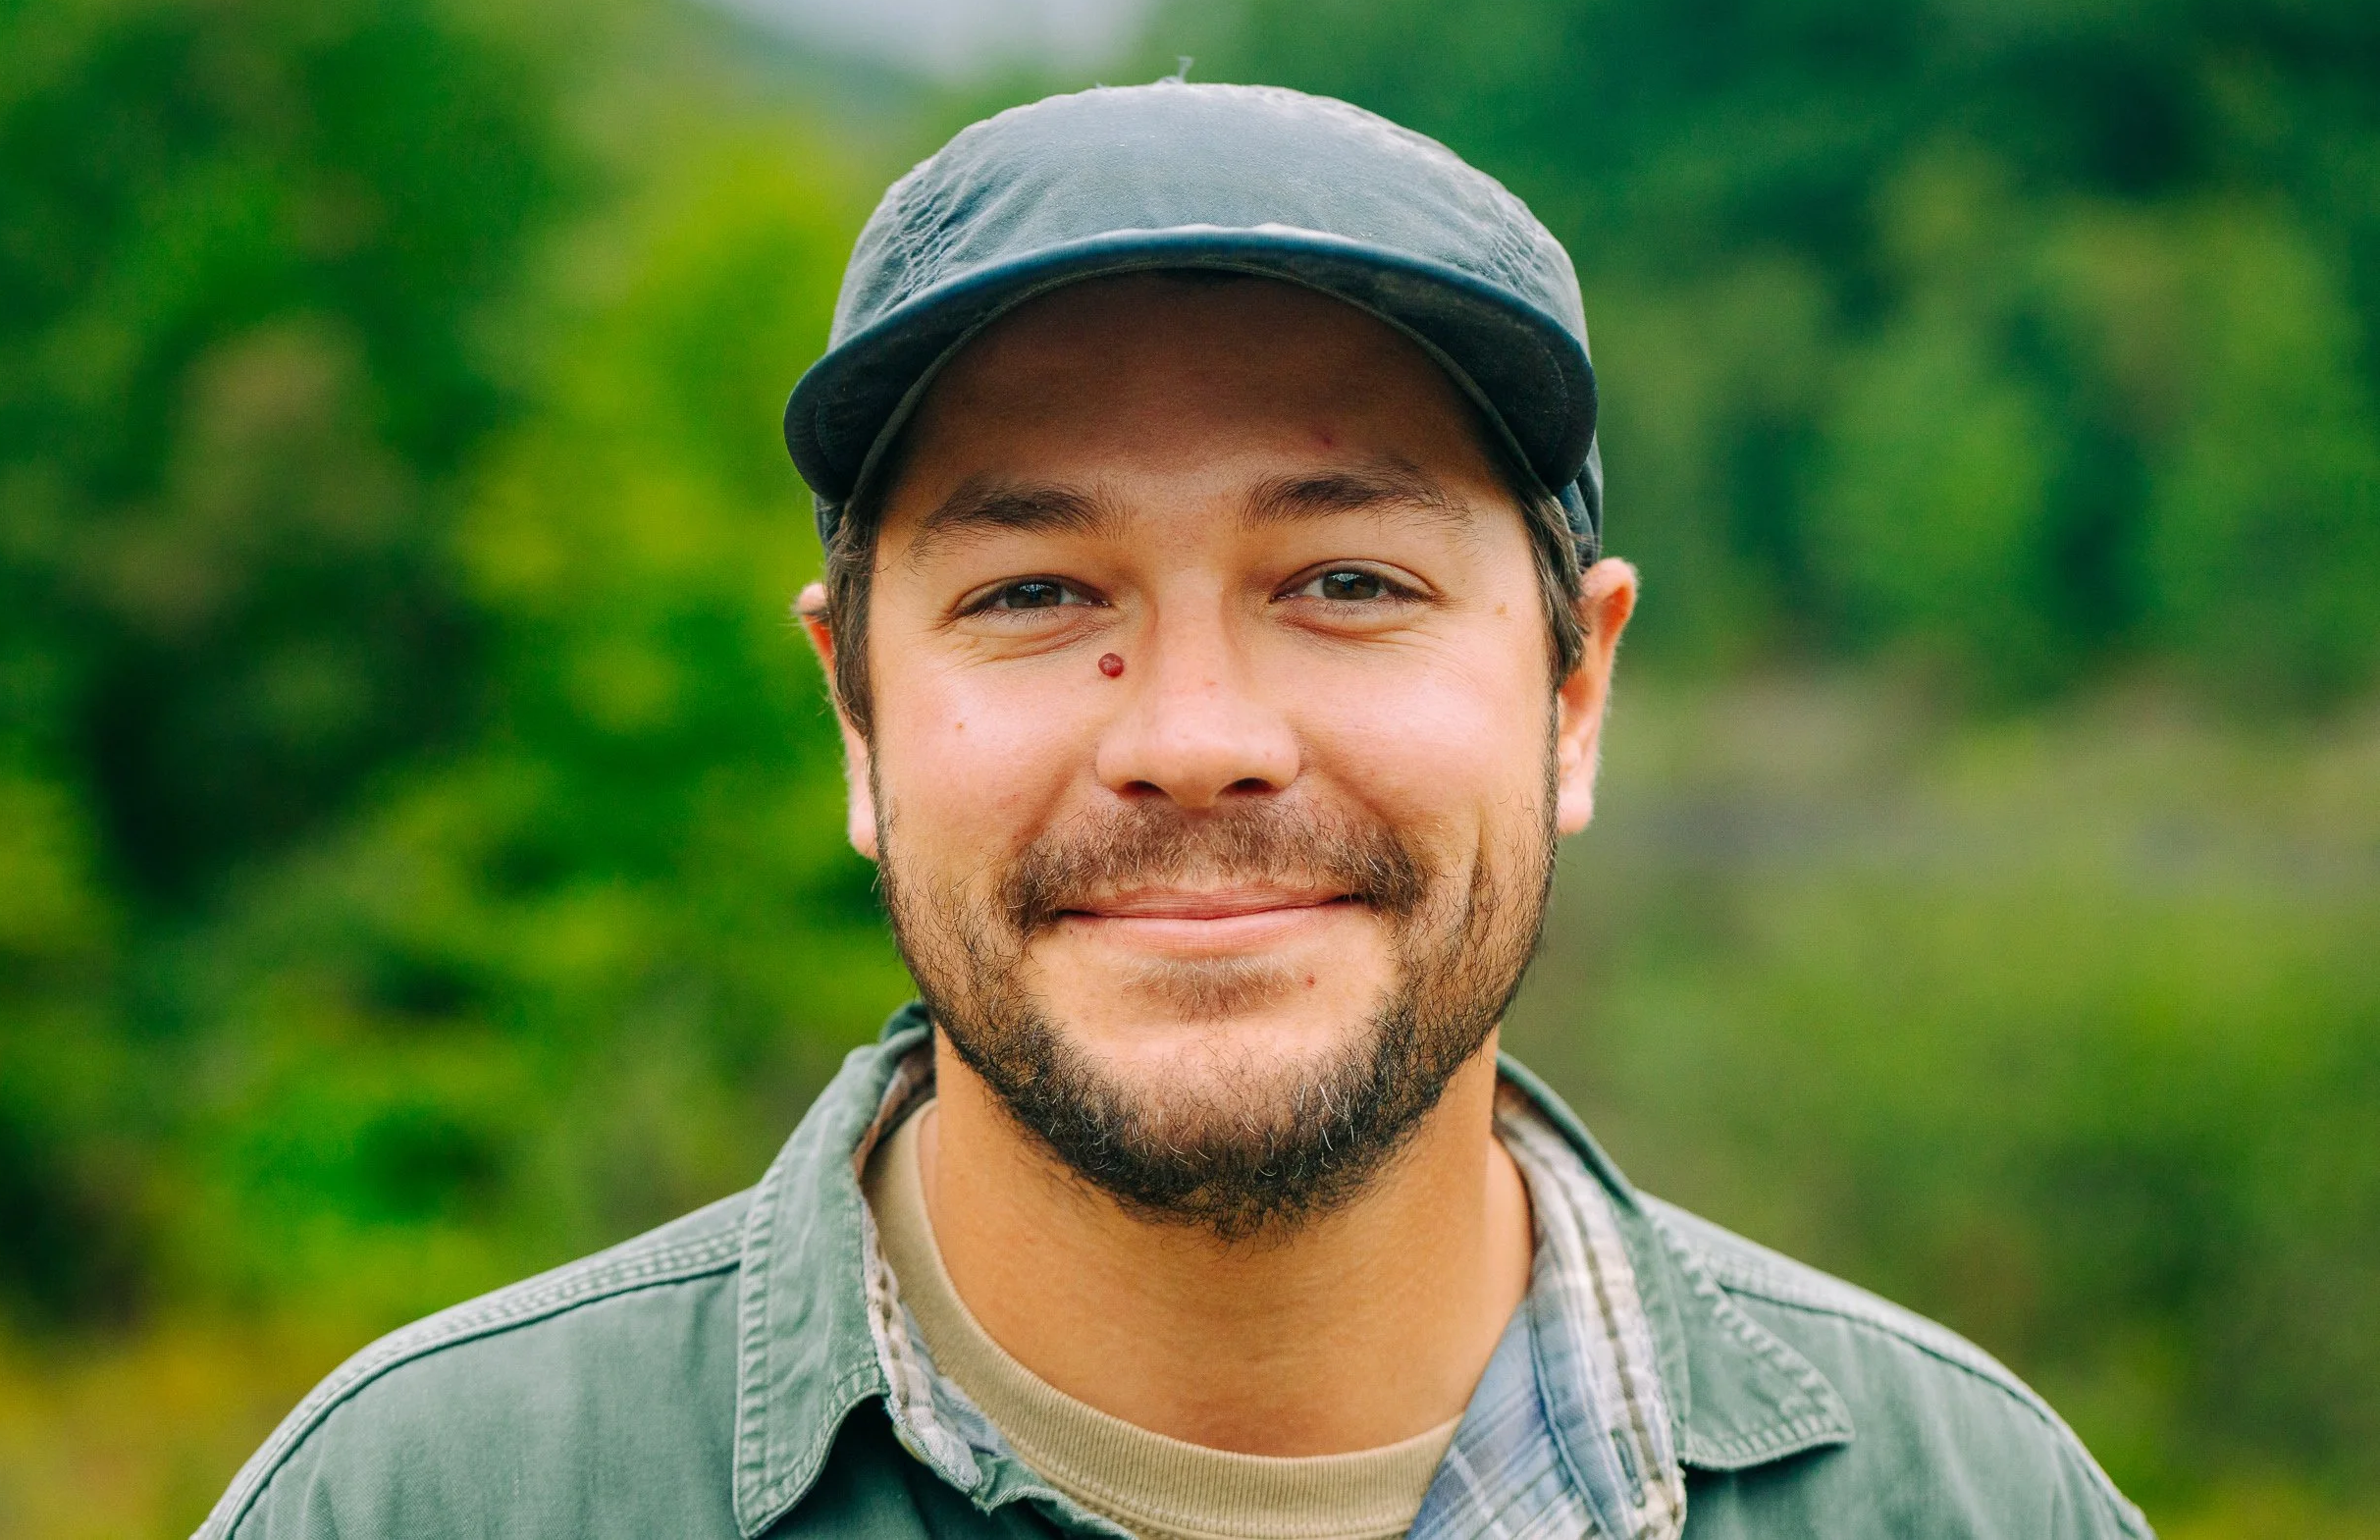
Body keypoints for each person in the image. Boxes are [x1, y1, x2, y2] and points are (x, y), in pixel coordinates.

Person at [197, 82, 2150, 1540]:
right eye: (1035, 593)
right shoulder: (420, 1500)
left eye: (1348, 581)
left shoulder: (1970, 1502)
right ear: (855, 716)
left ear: (1574, 694)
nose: (1196, 735)